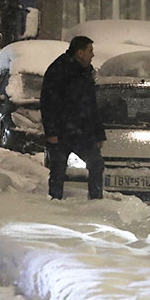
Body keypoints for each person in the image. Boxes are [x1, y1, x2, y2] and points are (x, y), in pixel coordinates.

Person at [40, 36, 106, 200]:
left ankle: (96, 200)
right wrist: (52, 132)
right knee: (58, 168)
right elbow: (48, 103)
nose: (93, 55)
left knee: (96, 164)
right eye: (90, 51)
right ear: (79, 53)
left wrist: (98, 134)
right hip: (62, 131)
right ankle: (55, 201)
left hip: (83, 131)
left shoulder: (86, 72)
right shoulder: (58, 70)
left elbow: (91, 104)